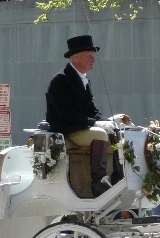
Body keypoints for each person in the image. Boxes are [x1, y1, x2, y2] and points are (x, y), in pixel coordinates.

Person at [45, 35, 117, 197]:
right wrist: (95, 124)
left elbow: (92, 109)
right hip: (67, 129)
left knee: (115, 132)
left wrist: (105, 121)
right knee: (100, 134)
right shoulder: (60, 80)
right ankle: (98, 183)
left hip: (81, 126)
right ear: (76, 57)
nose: (93, 60)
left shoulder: (83, 80)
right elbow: (66, 114)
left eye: (94, 56)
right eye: (89, 56)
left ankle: (117, 178)